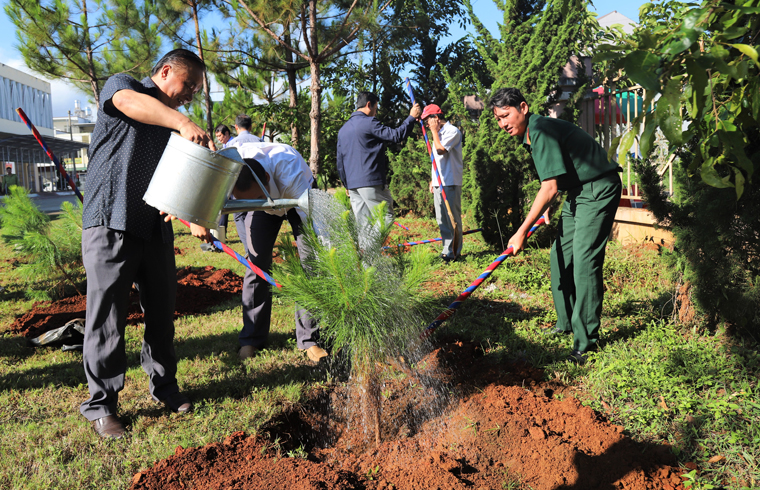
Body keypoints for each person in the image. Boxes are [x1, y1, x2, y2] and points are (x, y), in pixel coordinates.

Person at [80, 48, 215, 440]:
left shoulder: (170, 124)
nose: (190, 93)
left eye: (195, 89)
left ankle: (165, 387)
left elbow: (177, 178)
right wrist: (181, 121)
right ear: (166, 71)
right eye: (188, 84)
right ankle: (102, 405)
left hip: (153, 226)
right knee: (107, 317)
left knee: (162, 310)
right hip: (110, 220)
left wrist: (192, 216)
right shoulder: (125, 86)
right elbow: (127, 103)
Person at [489, 87, 622, 365]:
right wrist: (549, 204)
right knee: (560, 255)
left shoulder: (541, 131)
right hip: (578, 192)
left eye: (506, 115)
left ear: (523, 108)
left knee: (584, 261)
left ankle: (586, 344)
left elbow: (548, 187)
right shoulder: (533, 132)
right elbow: (559, 174)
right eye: (498, 119)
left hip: (597, 188)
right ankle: (566, 323)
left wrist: (521, 231)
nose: (503, 124)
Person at [231, 143, 325, 363]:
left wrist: (324, 248)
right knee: (255, 266)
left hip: (297, 201)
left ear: (265, 177)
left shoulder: (289, 171)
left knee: (310, 264)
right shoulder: (232, 168)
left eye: (256, 197)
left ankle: (309, 339)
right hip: (265, 208)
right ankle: (251, 338)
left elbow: (313, 221)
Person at [336, 91, 421, 230]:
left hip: (352, 186)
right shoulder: (369, 123)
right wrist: (411, 118)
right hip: (371, 182)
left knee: (363, 225)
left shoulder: (343, 130)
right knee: (386, 217)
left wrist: (346, 183)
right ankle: (370, 247)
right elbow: (395, 136)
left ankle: (365, 251)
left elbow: (340, 161)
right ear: (369, 104)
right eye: (375, 109)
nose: (376, 113)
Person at [422, 104, 464, 263]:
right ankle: (447, 250)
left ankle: (455, 252)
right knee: (441, 219)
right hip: (440, 182)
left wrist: (433, 131)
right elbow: (437, 161)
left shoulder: (452, 131)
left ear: (436, 118)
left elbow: (440, 151)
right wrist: (433, 179)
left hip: (450, 181)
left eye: (428, 120)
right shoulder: (438, 133)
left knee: (452, 217)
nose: (427, 124)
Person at [200, 123, 234, 252]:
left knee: (225, 211)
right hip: (226, 184)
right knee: (222, 212)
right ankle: (219, 239)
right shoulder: (226, 146)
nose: (219, 138)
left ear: (227, 134)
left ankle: (219, 240)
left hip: (231, 184)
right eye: (217, 137)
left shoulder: (232, 146)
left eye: (220, 136)